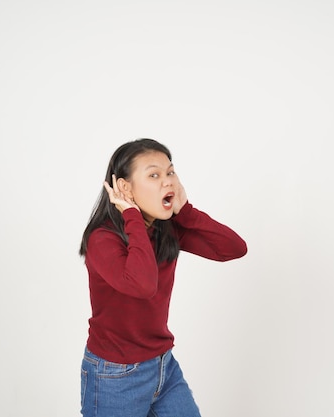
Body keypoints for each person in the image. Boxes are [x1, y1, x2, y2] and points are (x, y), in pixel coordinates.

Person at [78, 138, 247, 417]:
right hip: (115, 375)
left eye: (170, 172)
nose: (168, 181)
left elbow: (234, 249)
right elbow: (142, 285)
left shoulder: (166, 229)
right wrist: (131, 214)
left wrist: (187, 212)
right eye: (154, 175)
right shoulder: (102, 239)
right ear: (124, 188)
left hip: (163, 367)